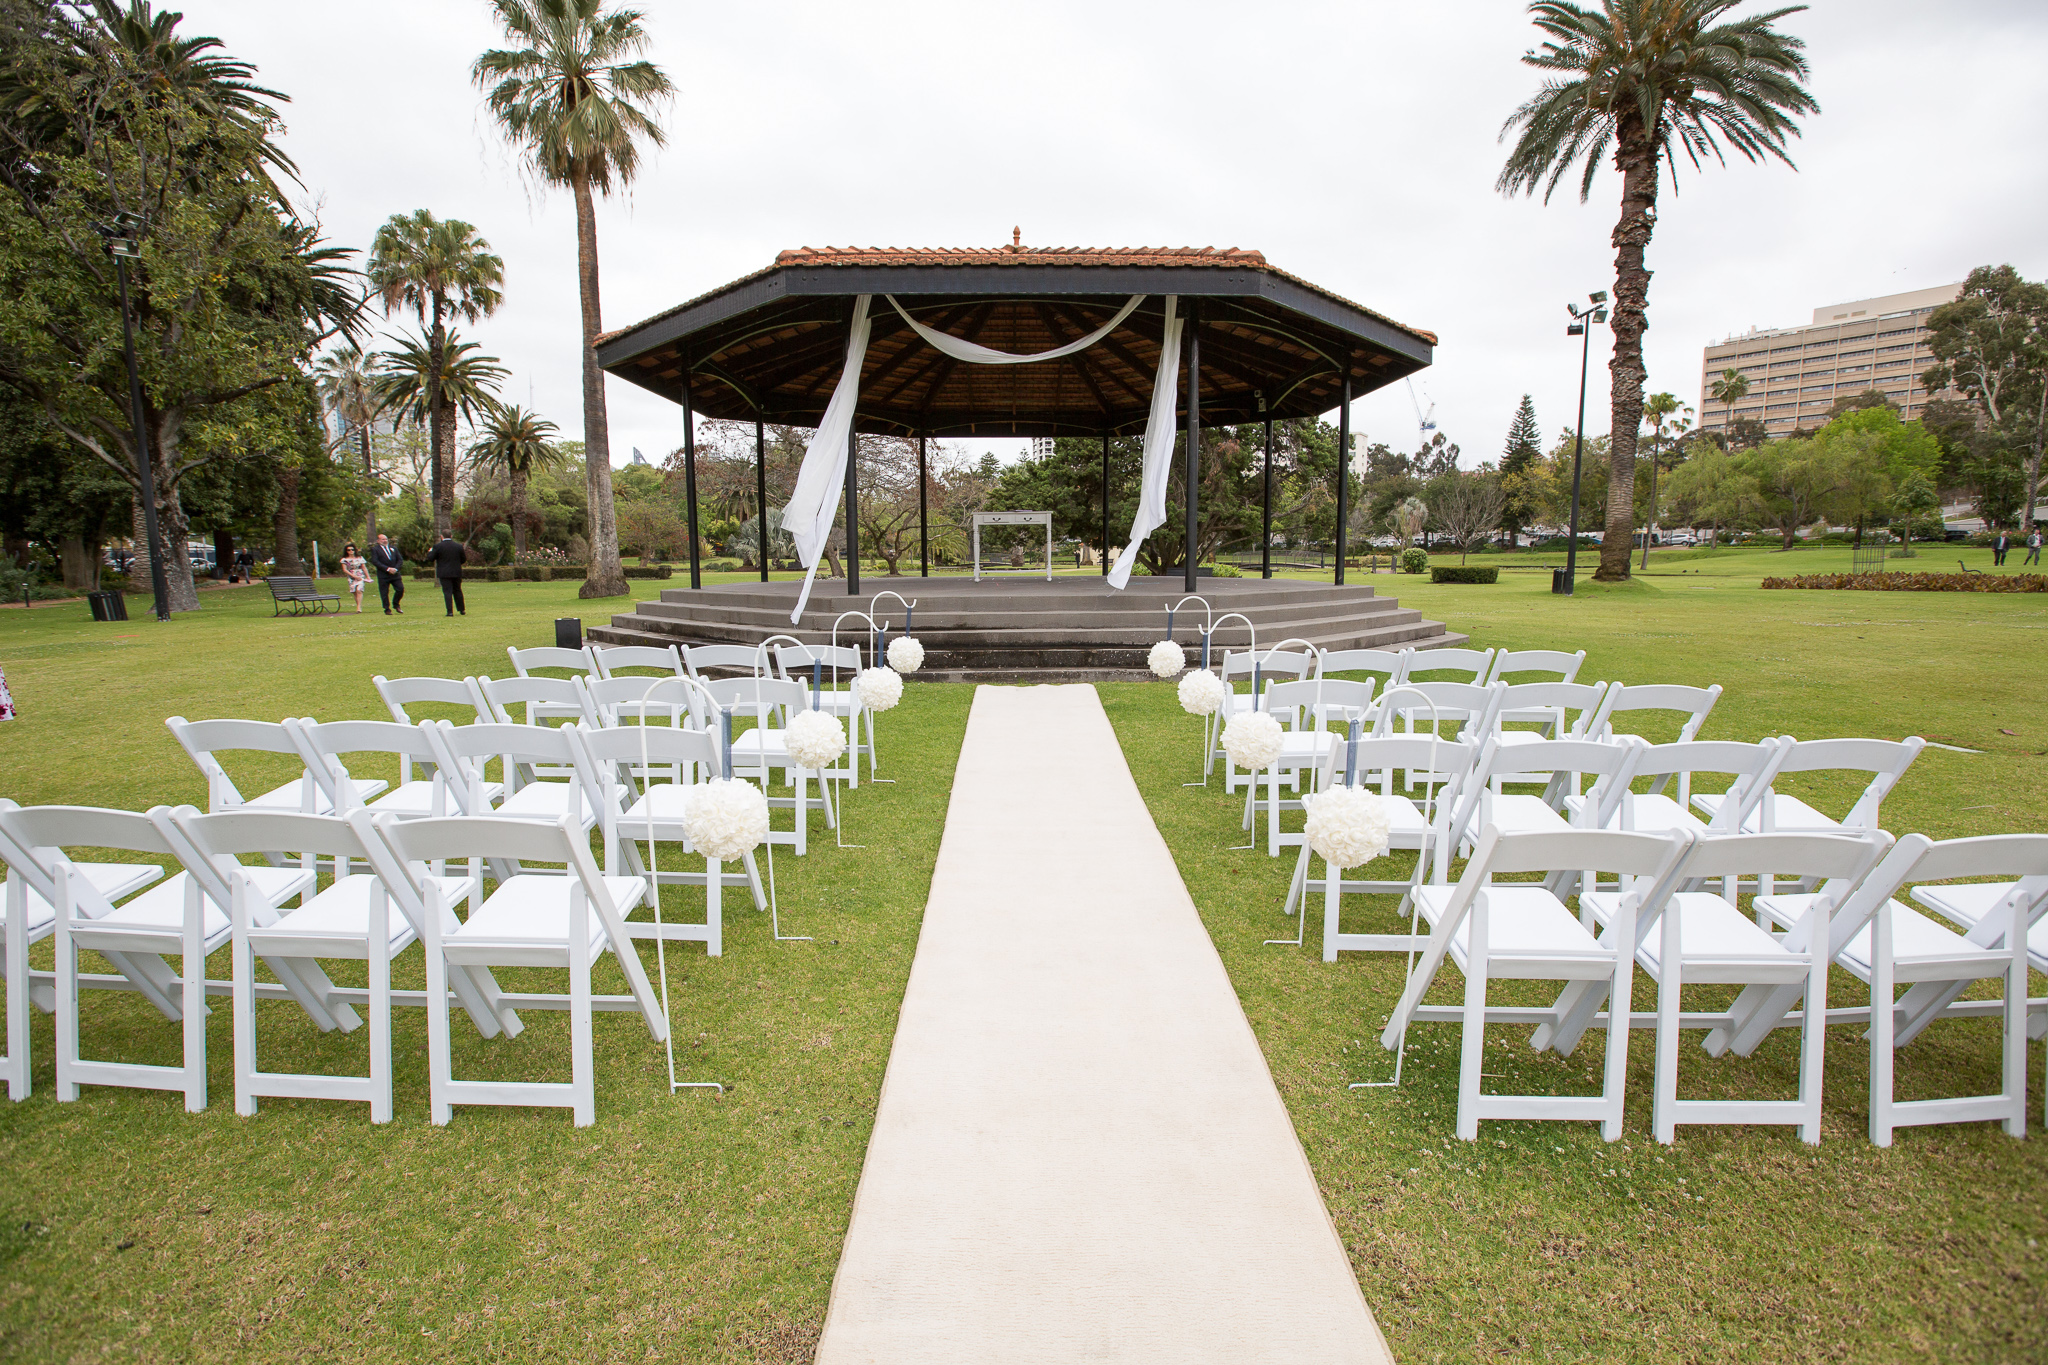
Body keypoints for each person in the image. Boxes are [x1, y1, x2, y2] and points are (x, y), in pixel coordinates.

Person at [428, 532, 467, 616]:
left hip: (444, 573)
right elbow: (463, 559)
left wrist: (430, 551)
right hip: (456, 572)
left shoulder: (437, 547)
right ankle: (462, 609)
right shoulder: (458, 546)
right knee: (457, 590)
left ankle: (450, 611)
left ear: (441, 536)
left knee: (447, 592)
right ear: (451, 536)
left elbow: (431, 558)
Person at [369, 533, 405, 614]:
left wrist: (395, 569)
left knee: (400, 589)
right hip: (383, 575)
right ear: (378, 541)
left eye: (386, 539)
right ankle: (387, 609)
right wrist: (387, 569)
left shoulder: (393, 548)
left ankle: (396, 604)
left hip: (395, 574)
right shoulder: (375, 550)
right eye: (383, 539)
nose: (385, 541)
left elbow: (400, 560)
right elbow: (375, 561)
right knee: (384, 592)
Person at [339, 542, 369, 613]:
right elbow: (345, 570)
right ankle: (358, 605)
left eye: (352, 549)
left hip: (360, 575)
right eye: (348, 550)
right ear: (346, 551)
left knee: (359, 590)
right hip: (351, 576)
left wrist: (368, 577)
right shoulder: (344, 560)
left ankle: (359, 607)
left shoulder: (360, 558)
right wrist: (353, 576)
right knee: (355, 591)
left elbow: (364, 568)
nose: (351, 551)